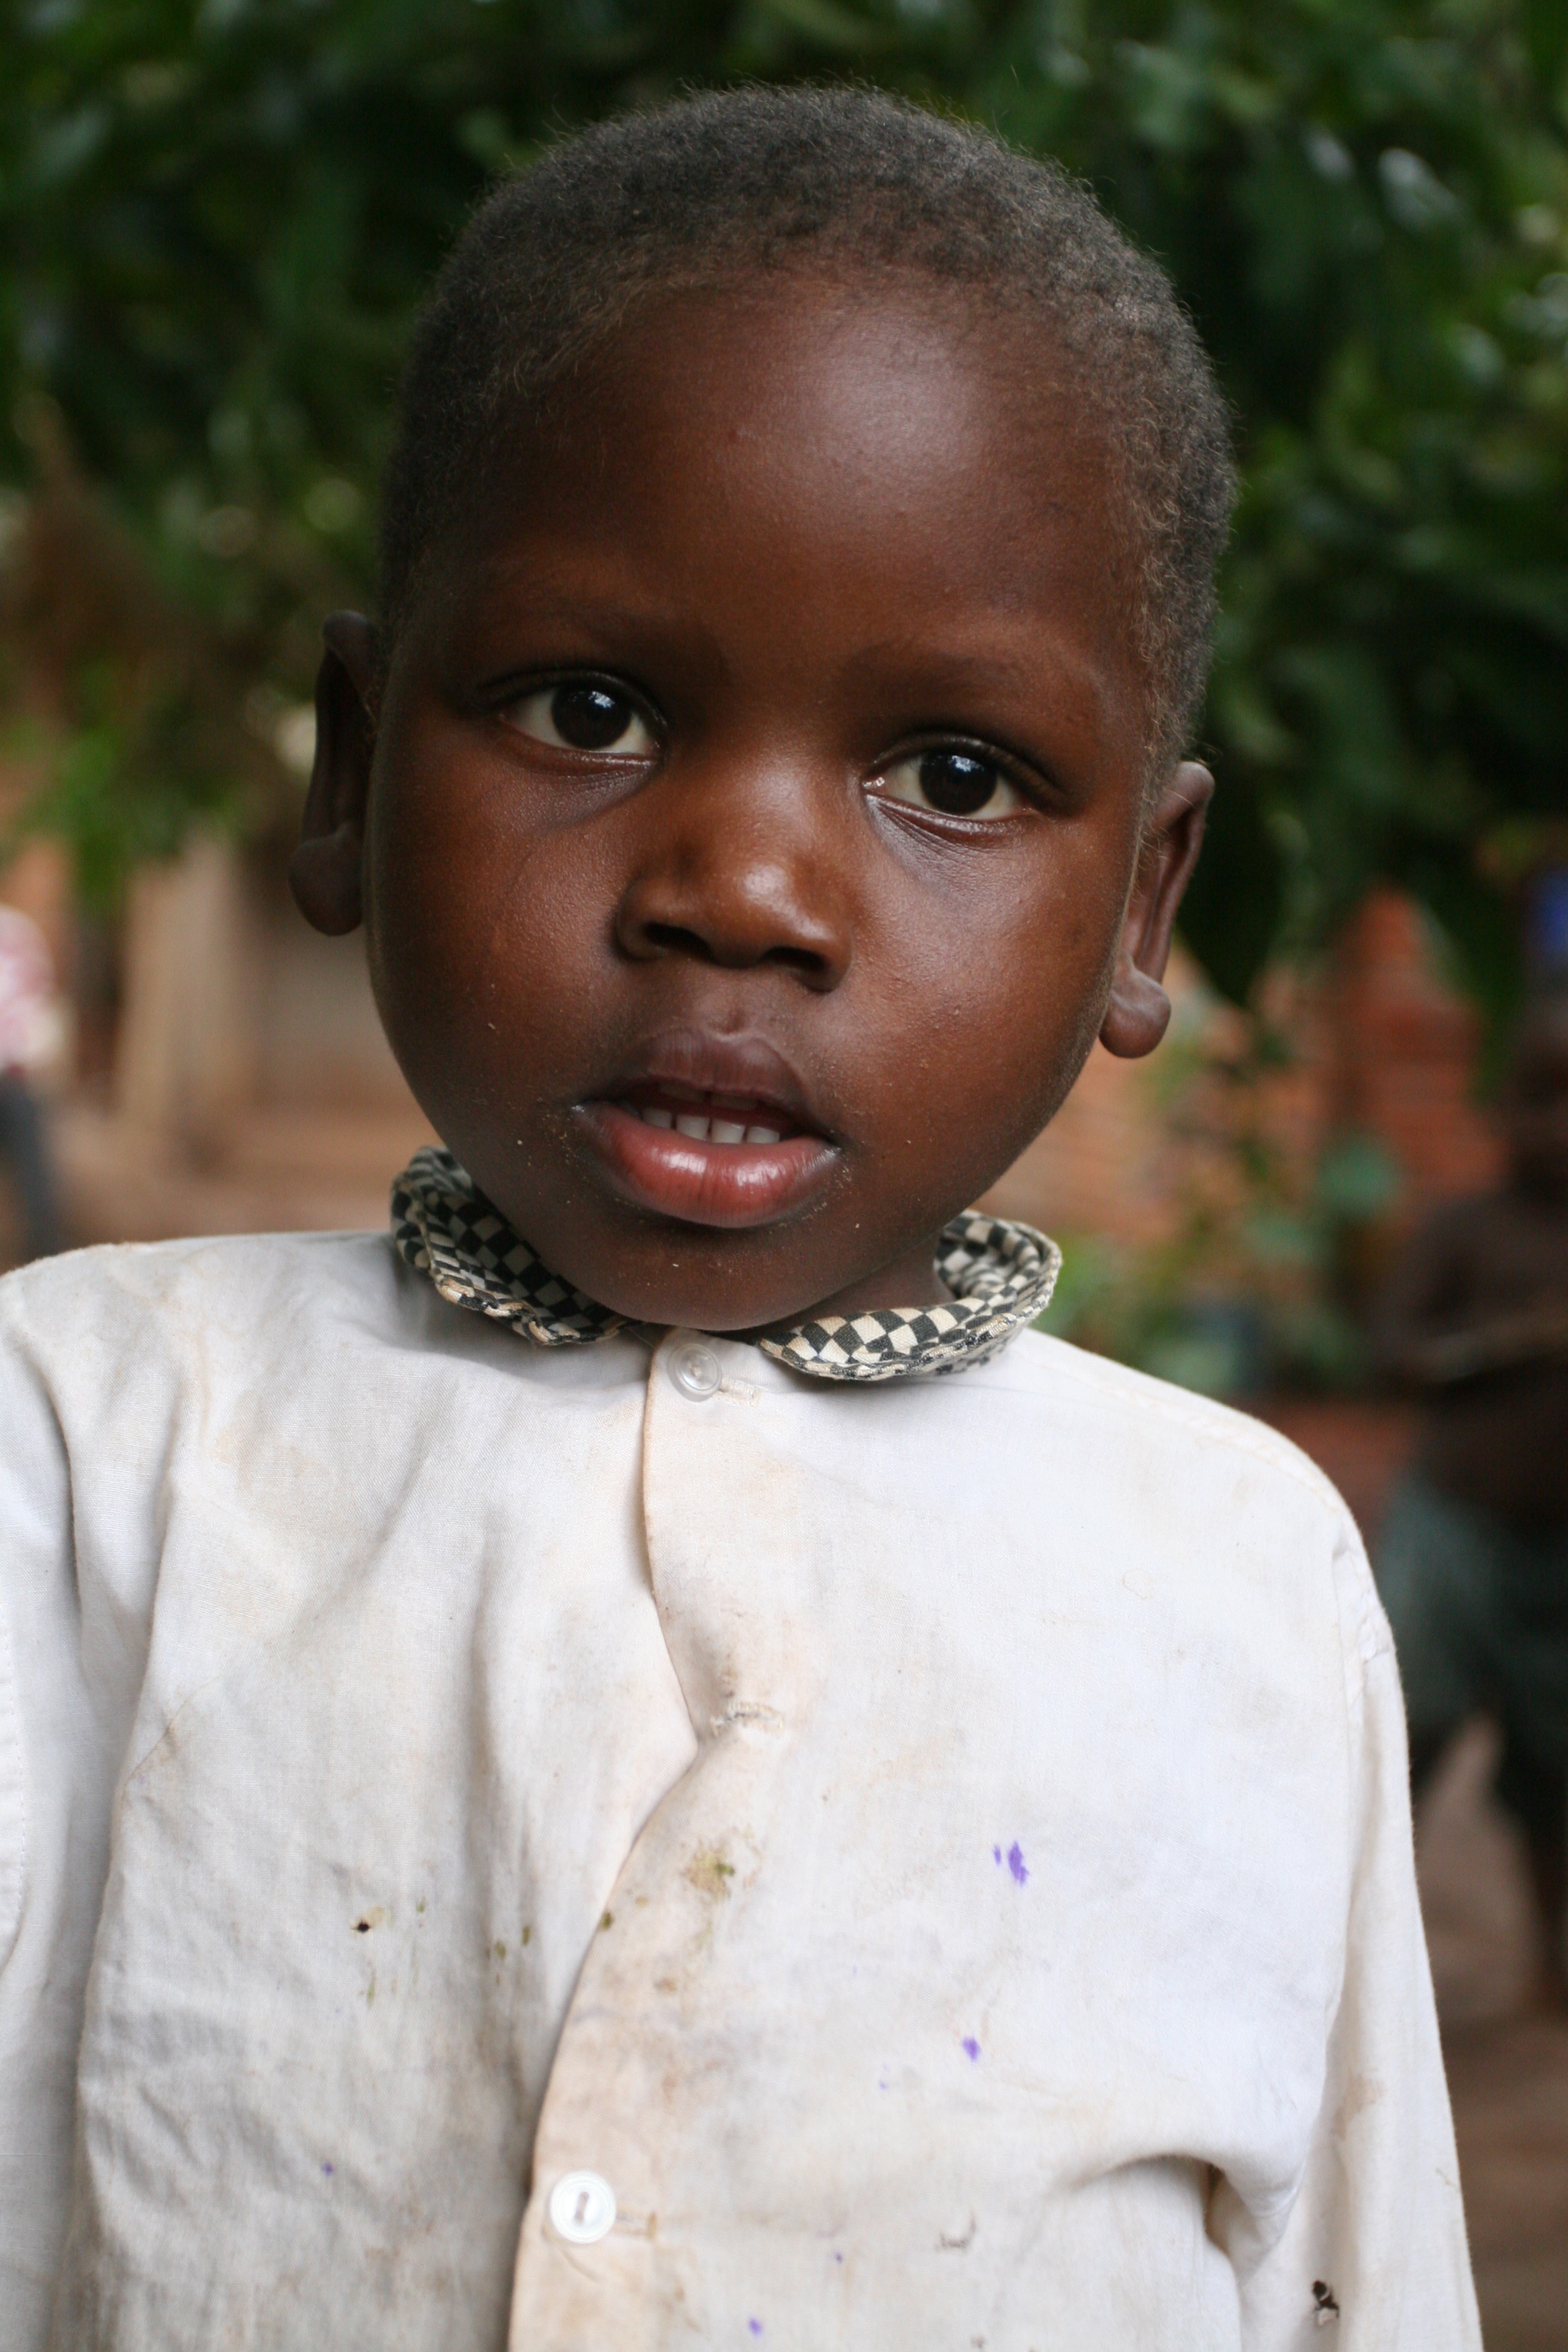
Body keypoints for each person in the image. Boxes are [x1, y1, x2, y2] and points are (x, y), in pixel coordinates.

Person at [0, 89, 1478, 2351]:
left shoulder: (1231, 1577)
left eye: (953, 778)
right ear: (353, 769)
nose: (745, 889)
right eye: (588, 710)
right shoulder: (96, 1441)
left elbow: (1350, 2283)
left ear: (1137, 911)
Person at [1375, 983, 1568, 2007]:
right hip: (1456, 1528)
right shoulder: (1467, 1233)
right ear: (1500, 1111)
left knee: (1558, 1761)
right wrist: (1500, 1346)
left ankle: (1552, 1962)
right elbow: (1393, 1353)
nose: (1560, 1128)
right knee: (1411, 1719)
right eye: (1541, 1099)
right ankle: (1364, 1946)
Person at [0, 900, 62, 1265]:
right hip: (16, 1079)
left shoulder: (15, 932)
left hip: (14, 1080)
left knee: (34, 1186)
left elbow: (36, 1000)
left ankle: (46, 1266)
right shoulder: (18, 929)